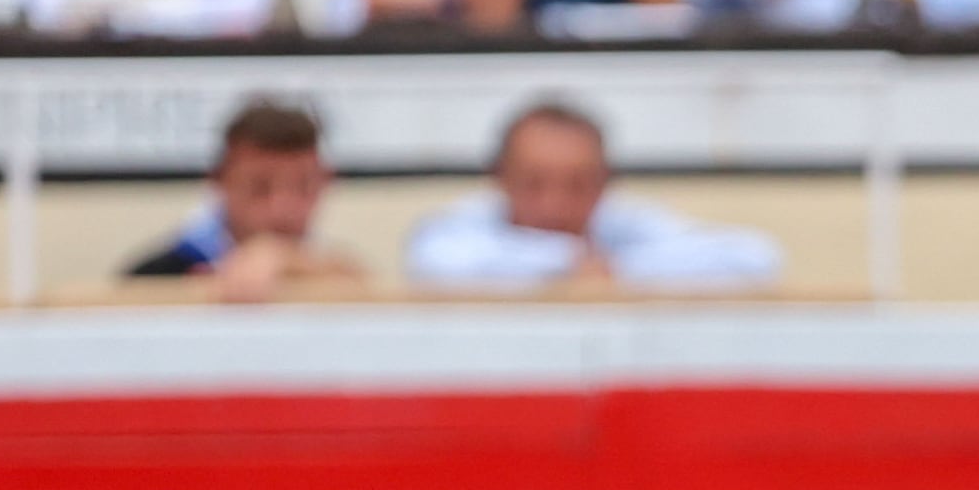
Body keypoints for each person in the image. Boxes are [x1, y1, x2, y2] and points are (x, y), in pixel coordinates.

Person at [402, 104, 785, 295]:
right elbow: (431, 261)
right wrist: (567, 264)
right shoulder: (467, 224)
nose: (554, 203)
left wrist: (617, 269)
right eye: (534, 183)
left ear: (605, 183)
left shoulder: (622, 226)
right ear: (499, 178)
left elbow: (754, 257)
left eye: (577, 184)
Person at [123, 100, 374, 301]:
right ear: (219, 181)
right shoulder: (156, 278)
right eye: (260, 188)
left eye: (303, 186)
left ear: (325, 181)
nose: (283, 207)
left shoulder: (335, 271)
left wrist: (283, 257)